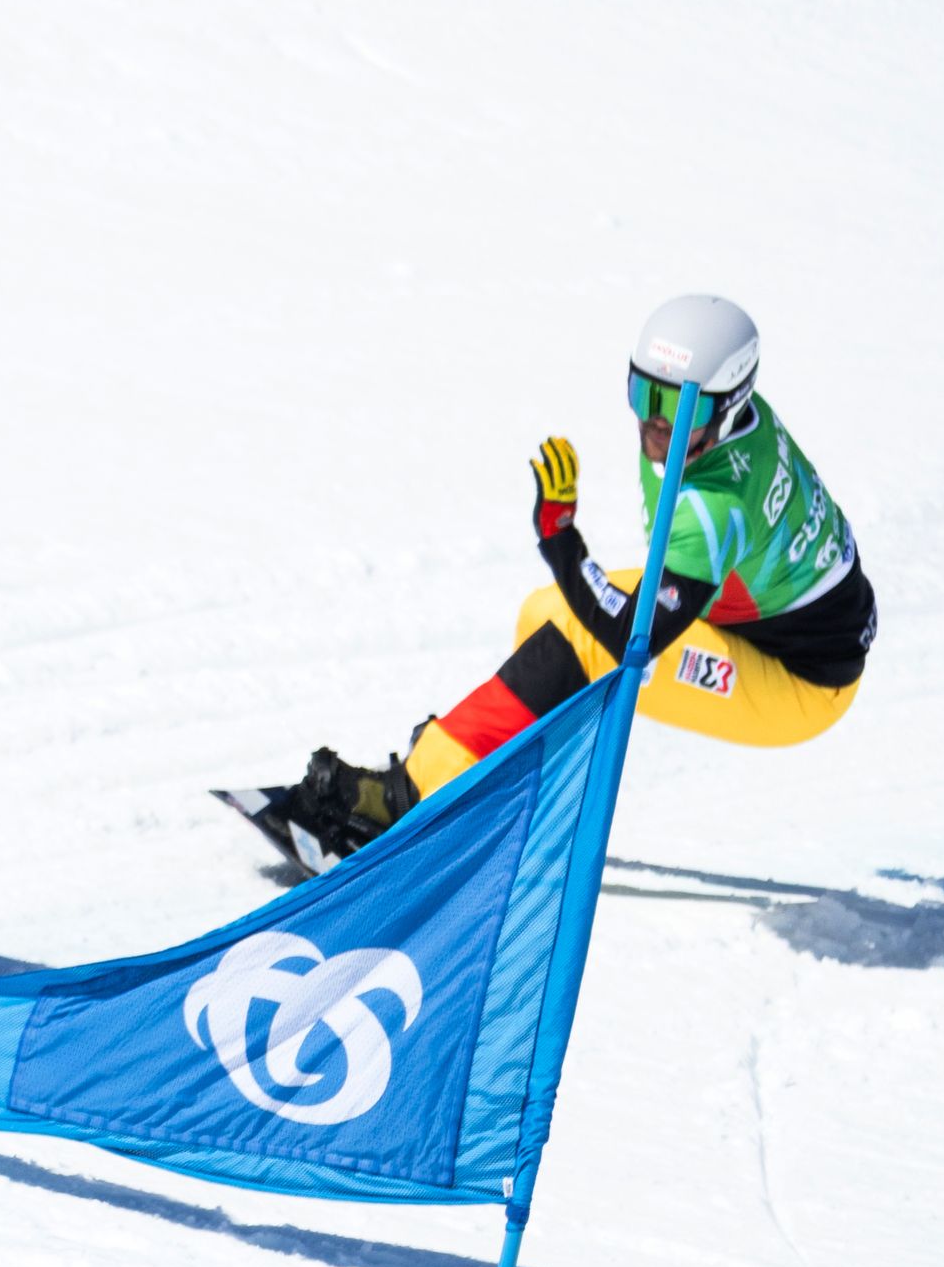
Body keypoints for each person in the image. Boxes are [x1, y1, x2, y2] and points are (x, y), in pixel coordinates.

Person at [268, 295, 876, 862]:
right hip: (751, 610)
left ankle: (408, 800)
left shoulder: (715, 506)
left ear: (733, 404)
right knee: (544, 615)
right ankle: (482, 780)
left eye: (678, 408)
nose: (654, 425)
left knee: (585, 639)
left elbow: (628, 640)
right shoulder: (704, 434)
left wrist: (562, 540)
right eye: (644, 396)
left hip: (799, 683)